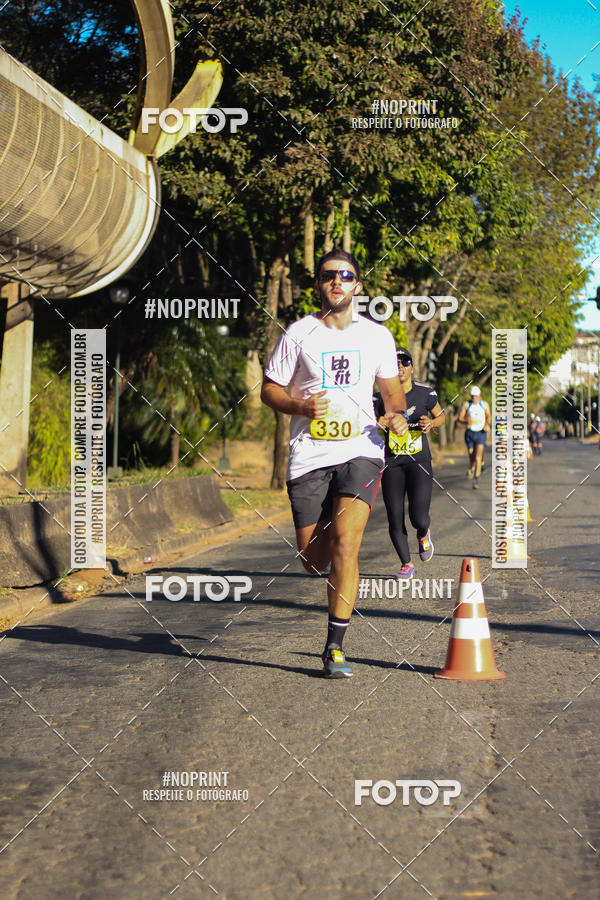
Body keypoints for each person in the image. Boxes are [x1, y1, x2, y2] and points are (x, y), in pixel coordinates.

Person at [261, 249, 408, 678]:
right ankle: (323, 520)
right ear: (319, 286)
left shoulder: (377, 336)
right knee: (313, 560)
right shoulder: (299, 333)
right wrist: (300, 406)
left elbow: (393, 391)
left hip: (361, 449)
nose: (337, 282)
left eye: (346, 275)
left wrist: (396, 414)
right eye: (329, 276)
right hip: (310, 454)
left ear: (358, 285)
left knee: (347, 543)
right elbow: (269, 390)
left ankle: (335, 646)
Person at [374, 348, 445, 579]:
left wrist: (431, 424)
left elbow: (441, 416)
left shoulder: (425, 393)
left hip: (419, 462)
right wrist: (378, 422)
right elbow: (366, 423)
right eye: (395, 363)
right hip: (391, 462)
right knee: (394, 515)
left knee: (418, 517)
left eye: (405, 362)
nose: (400, 366)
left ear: (412, 367)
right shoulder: (379, 397)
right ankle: (406, 564)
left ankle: (423, 534)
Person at [458, 386, 490, 489]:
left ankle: (476, 479)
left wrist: (486, 425)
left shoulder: (484, 404)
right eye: (472, 396)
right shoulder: (467, 405)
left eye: (475, 396)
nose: (474, 398)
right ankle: (472, 467)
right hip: (470, 433)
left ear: (479, 396)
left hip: (481, 432)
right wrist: (466, 421)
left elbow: (488, 415)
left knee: (478, 457)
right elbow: (460, 418)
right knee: (472, 456)